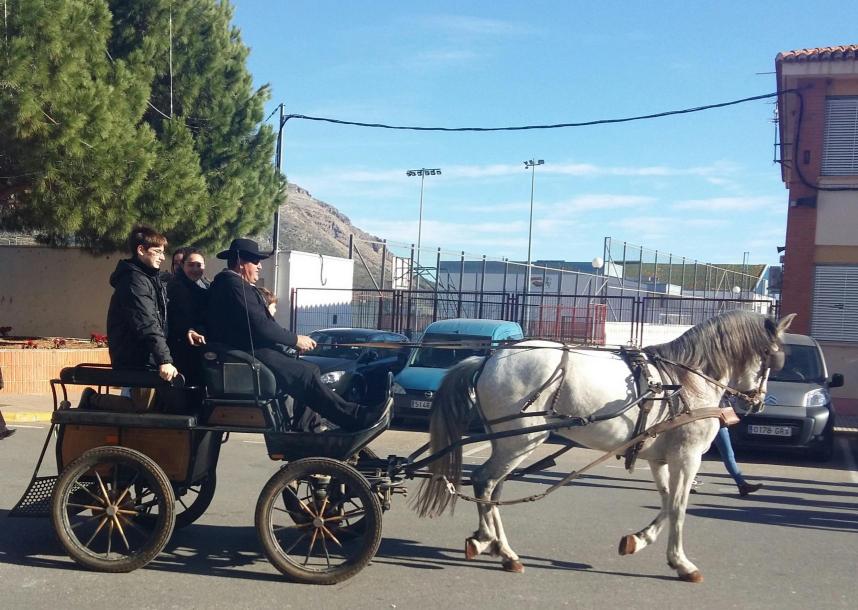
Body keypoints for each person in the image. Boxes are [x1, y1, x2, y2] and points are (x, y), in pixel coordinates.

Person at [206, 238, 381, 431]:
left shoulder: (233, 285)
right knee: (305, 374)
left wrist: (292, 341)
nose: (260, 266)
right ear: (241, 262)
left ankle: (309, 427)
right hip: (250, 352)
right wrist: (295, 340)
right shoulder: (234, 285)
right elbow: (261, 326)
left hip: (254, 350)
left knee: (308, 370)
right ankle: (354, 418)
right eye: (255, 261)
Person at [106, 225, 178, 383]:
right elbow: (146, 322)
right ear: (141, 250)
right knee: (139, 399)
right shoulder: (134, 280)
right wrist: (164, 360)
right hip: (137, 362)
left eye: (163, 252)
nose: (162, 257)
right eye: (157, 251)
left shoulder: (148, 278)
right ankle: (94, 397)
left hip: (145, 360)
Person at [167, 248, 209, 383]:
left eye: (199, 265)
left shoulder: (204, 287)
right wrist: (189, 329)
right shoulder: (175, 287)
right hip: (181, 349)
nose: (195, 269)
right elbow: (177, 315)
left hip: (197, 347)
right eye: (191, 265)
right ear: (183, 266)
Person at [692, 426, 763, 497]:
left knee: (694, 453)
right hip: (716, 423)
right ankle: (742, 485)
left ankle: (742, 485)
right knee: (728, 455)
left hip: (704, 423)